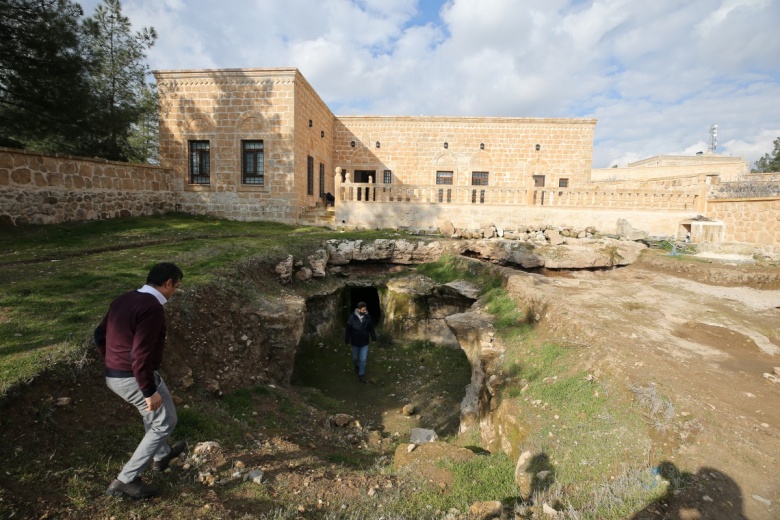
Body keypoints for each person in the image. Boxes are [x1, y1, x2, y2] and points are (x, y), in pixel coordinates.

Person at [94, 262, 186, 499]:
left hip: (118, 374)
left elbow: (99, 333)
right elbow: (140, 353)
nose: (174, 292)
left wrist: (112, 360)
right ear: (167, 284)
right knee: (164, 422)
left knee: (160, 417)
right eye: (175, 287)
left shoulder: (124, 299)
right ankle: (126, 480)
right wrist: (147, 390)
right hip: (134, 377)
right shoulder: (152, 307)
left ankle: (161, 454)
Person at [345, 301, 377, 384]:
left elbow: (371, 328)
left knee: (363, 359)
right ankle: (356, 367)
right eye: (363, 310)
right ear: (358, 310)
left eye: (365, 310)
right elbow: (348, 330)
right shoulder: (351, 318)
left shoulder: (367, 317)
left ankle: (361, 375)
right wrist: (347, 340)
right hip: (355, 342)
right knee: (355, 358)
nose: (365, 311)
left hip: (364, 342)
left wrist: (373, 338)